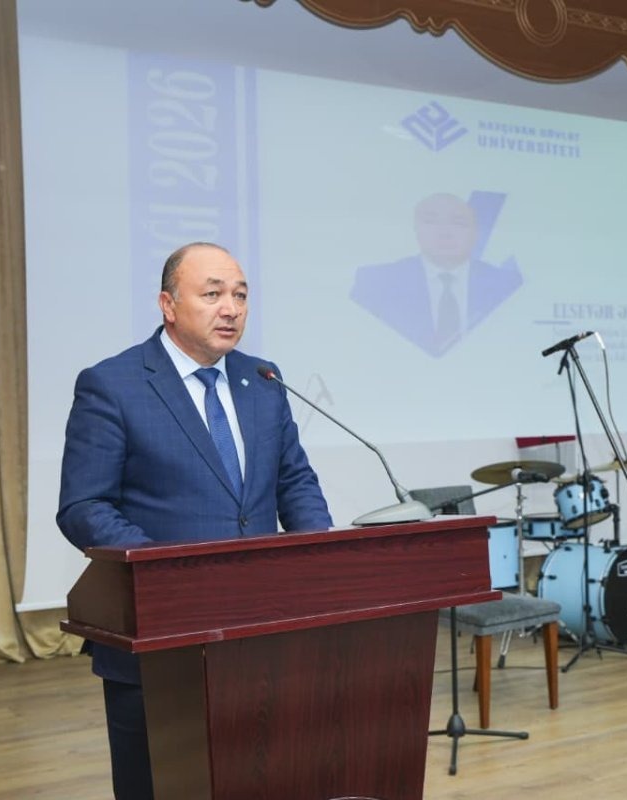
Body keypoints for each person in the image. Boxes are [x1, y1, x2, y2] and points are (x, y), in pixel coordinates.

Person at [57, 242, 332, 799]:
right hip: (159, 638)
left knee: (261, 777)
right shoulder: (113, 384)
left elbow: (295, 483)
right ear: (168, 304)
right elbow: (84, 506)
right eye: (212, 294)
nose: (231, 308)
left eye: (240, 295)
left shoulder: (263, 379)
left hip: (263, 633)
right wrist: (167, 573)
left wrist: (320, 563)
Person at [350, 192, 522, 357]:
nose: (445, 232)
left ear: (475, 232)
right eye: (431, 222)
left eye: (458, 223)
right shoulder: (376, 282)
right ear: (416, 229)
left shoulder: (507, 285)